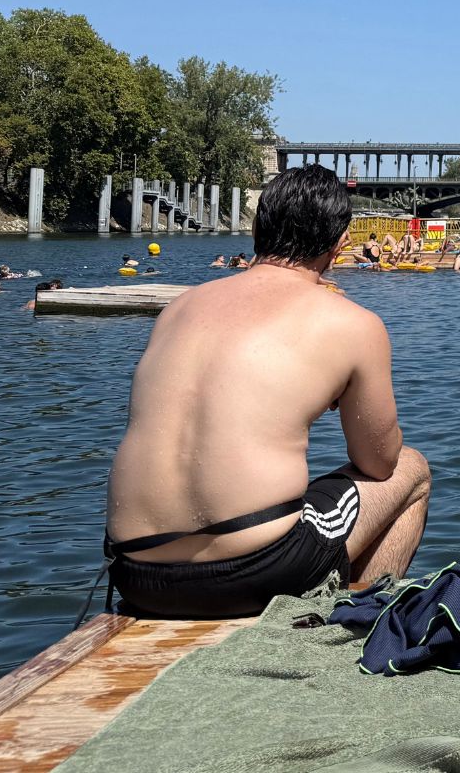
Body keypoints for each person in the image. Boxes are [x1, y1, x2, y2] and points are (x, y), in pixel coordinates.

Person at [101, 165, 431, 619]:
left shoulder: (179, 307)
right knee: (411, 469)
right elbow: (379, 463)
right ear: (340, 244)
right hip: (255, 572)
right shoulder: (354, 324)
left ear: (257, 229)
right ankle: (358, 625)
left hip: (137, 574)